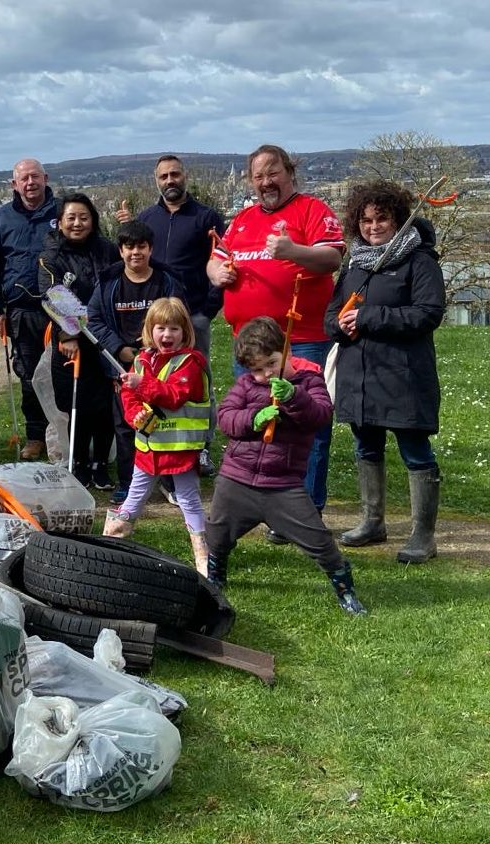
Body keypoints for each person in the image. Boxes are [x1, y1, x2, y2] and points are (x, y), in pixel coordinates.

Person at [207, 144, 346, 540]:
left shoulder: (312, 211)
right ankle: (263, 507)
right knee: (255, 427)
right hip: (249, 347)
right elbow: (215, 260)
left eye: (273, 173)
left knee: (305, 427)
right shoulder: (243, 219)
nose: (266, 182)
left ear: (290, 171)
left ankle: (305, 512)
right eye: (258, 176)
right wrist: (217, 273)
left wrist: (292, 252)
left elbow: (332, 259)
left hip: (299, 341)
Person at [205, 317, 366, 615]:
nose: (265, 375)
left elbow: (319, 415)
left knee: (318, 539)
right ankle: (215, 573)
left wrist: (294, 397)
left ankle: (344, 587)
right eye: (256, 370)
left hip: (283, 485)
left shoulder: (309, 381)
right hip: (237, 478)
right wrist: (254, 419)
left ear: (288, 351)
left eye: (271, 364)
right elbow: (226, 418)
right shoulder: (244, 385)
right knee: (217, 531)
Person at [324, 180, 446, 564]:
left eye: (382, 219)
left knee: (414, 451)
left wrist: (370, 317)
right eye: (366, 220)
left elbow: (429, 313)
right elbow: (332, 313)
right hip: (359, 375)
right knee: (366, 447)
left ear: (397, 220)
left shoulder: (419, 261)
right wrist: (338, 325)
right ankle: (372, 521)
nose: (373, 226)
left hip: (403, 375)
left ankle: (423, 537)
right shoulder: (356, 263)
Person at [116, 154, 226, 477]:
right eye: (163, 176)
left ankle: (201, 447)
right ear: (156, 181)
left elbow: (223, 260)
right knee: (154, 383)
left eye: (175, 174)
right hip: (156, 322)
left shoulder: (207, 217)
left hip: (193, 317)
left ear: (184, 176)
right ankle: (163, 444)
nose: (170, 181)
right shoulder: (148, 217)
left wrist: (207, 309)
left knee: (197, 386)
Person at [102, 298, 212, 575]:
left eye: (174, 328)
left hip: (181, 450)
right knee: (134, 496)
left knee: (188, 498)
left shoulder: (190, 363)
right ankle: (110, 544)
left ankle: (204, 558)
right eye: (161, 328)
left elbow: (174, 396)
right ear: (149, 330)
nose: (167, 335)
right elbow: (129, 395)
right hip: (149, 448)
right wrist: (135, 413)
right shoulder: (141, 360)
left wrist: (143, 384)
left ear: (185, 332)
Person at [87, 220, 185, 503]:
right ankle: (128, 481)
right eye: (129, 247)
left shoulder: (167, 282)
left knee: (164, 423)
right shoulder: (108, 284)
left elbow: (178, 319)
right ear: (121, 251)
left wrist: (152, 351)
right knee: (127, 425)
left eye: (141, 246)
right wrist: (119, 350)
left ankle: (169, 480)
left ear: (150, 249)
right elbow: (94, 320)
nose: (135, 252)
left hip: (161, 365)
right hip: (122, 366)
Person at [37, 193, 120, 487]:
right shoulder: (51, 257)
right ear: (60, 222)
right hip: (71, 341)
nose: (77, 223)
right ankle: (80, 461)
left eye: (83, 217)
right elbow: (51, 296)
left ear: (93, 220)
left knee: (106, 405)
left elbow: (117, 286)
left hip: (105, 338)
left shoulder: (107, 250)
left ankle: (100, 464)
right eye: (71, 218)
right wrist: (67, 333)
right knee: (78, 405)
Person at [0, 158, 59, 460]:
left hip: (59, 311)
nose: (30, 183)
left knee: (62, 374)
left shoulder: (62, 213)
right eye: (23, 178)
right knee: (28, 377)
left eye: (35, 177)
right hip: (21, 312)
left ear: (45, 178)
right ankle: (36, 436)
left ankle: (62, 435)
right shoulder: (0, 219)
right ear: (14, 184)